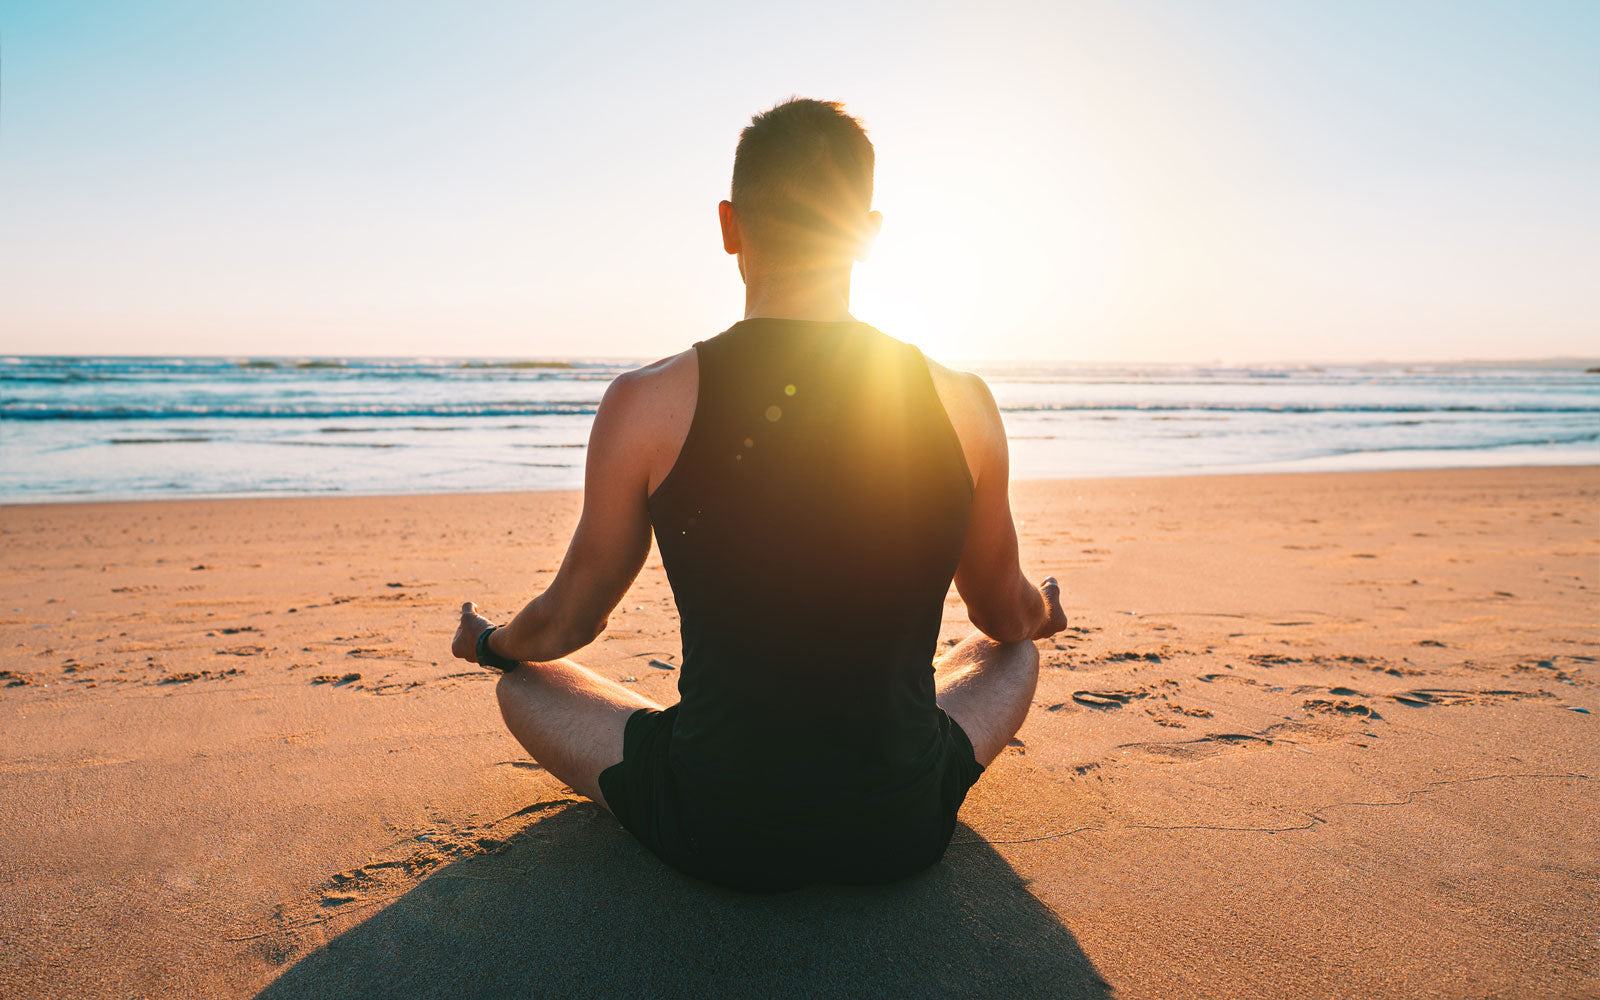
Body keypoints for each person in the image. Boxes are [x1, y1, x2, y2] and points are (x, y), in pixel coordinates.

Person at [451, 98, 1067, 892]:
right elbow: (1001, 613)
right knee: (1006, 654)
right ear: (868, 234)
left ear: (729, 225)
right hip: (900, 824)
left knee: (524, 685)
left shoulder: (648, 403)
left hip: (716, 824)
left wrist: (492, 642)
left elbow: (571, 616)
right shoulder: (963, 401)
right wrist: (1040, 614)